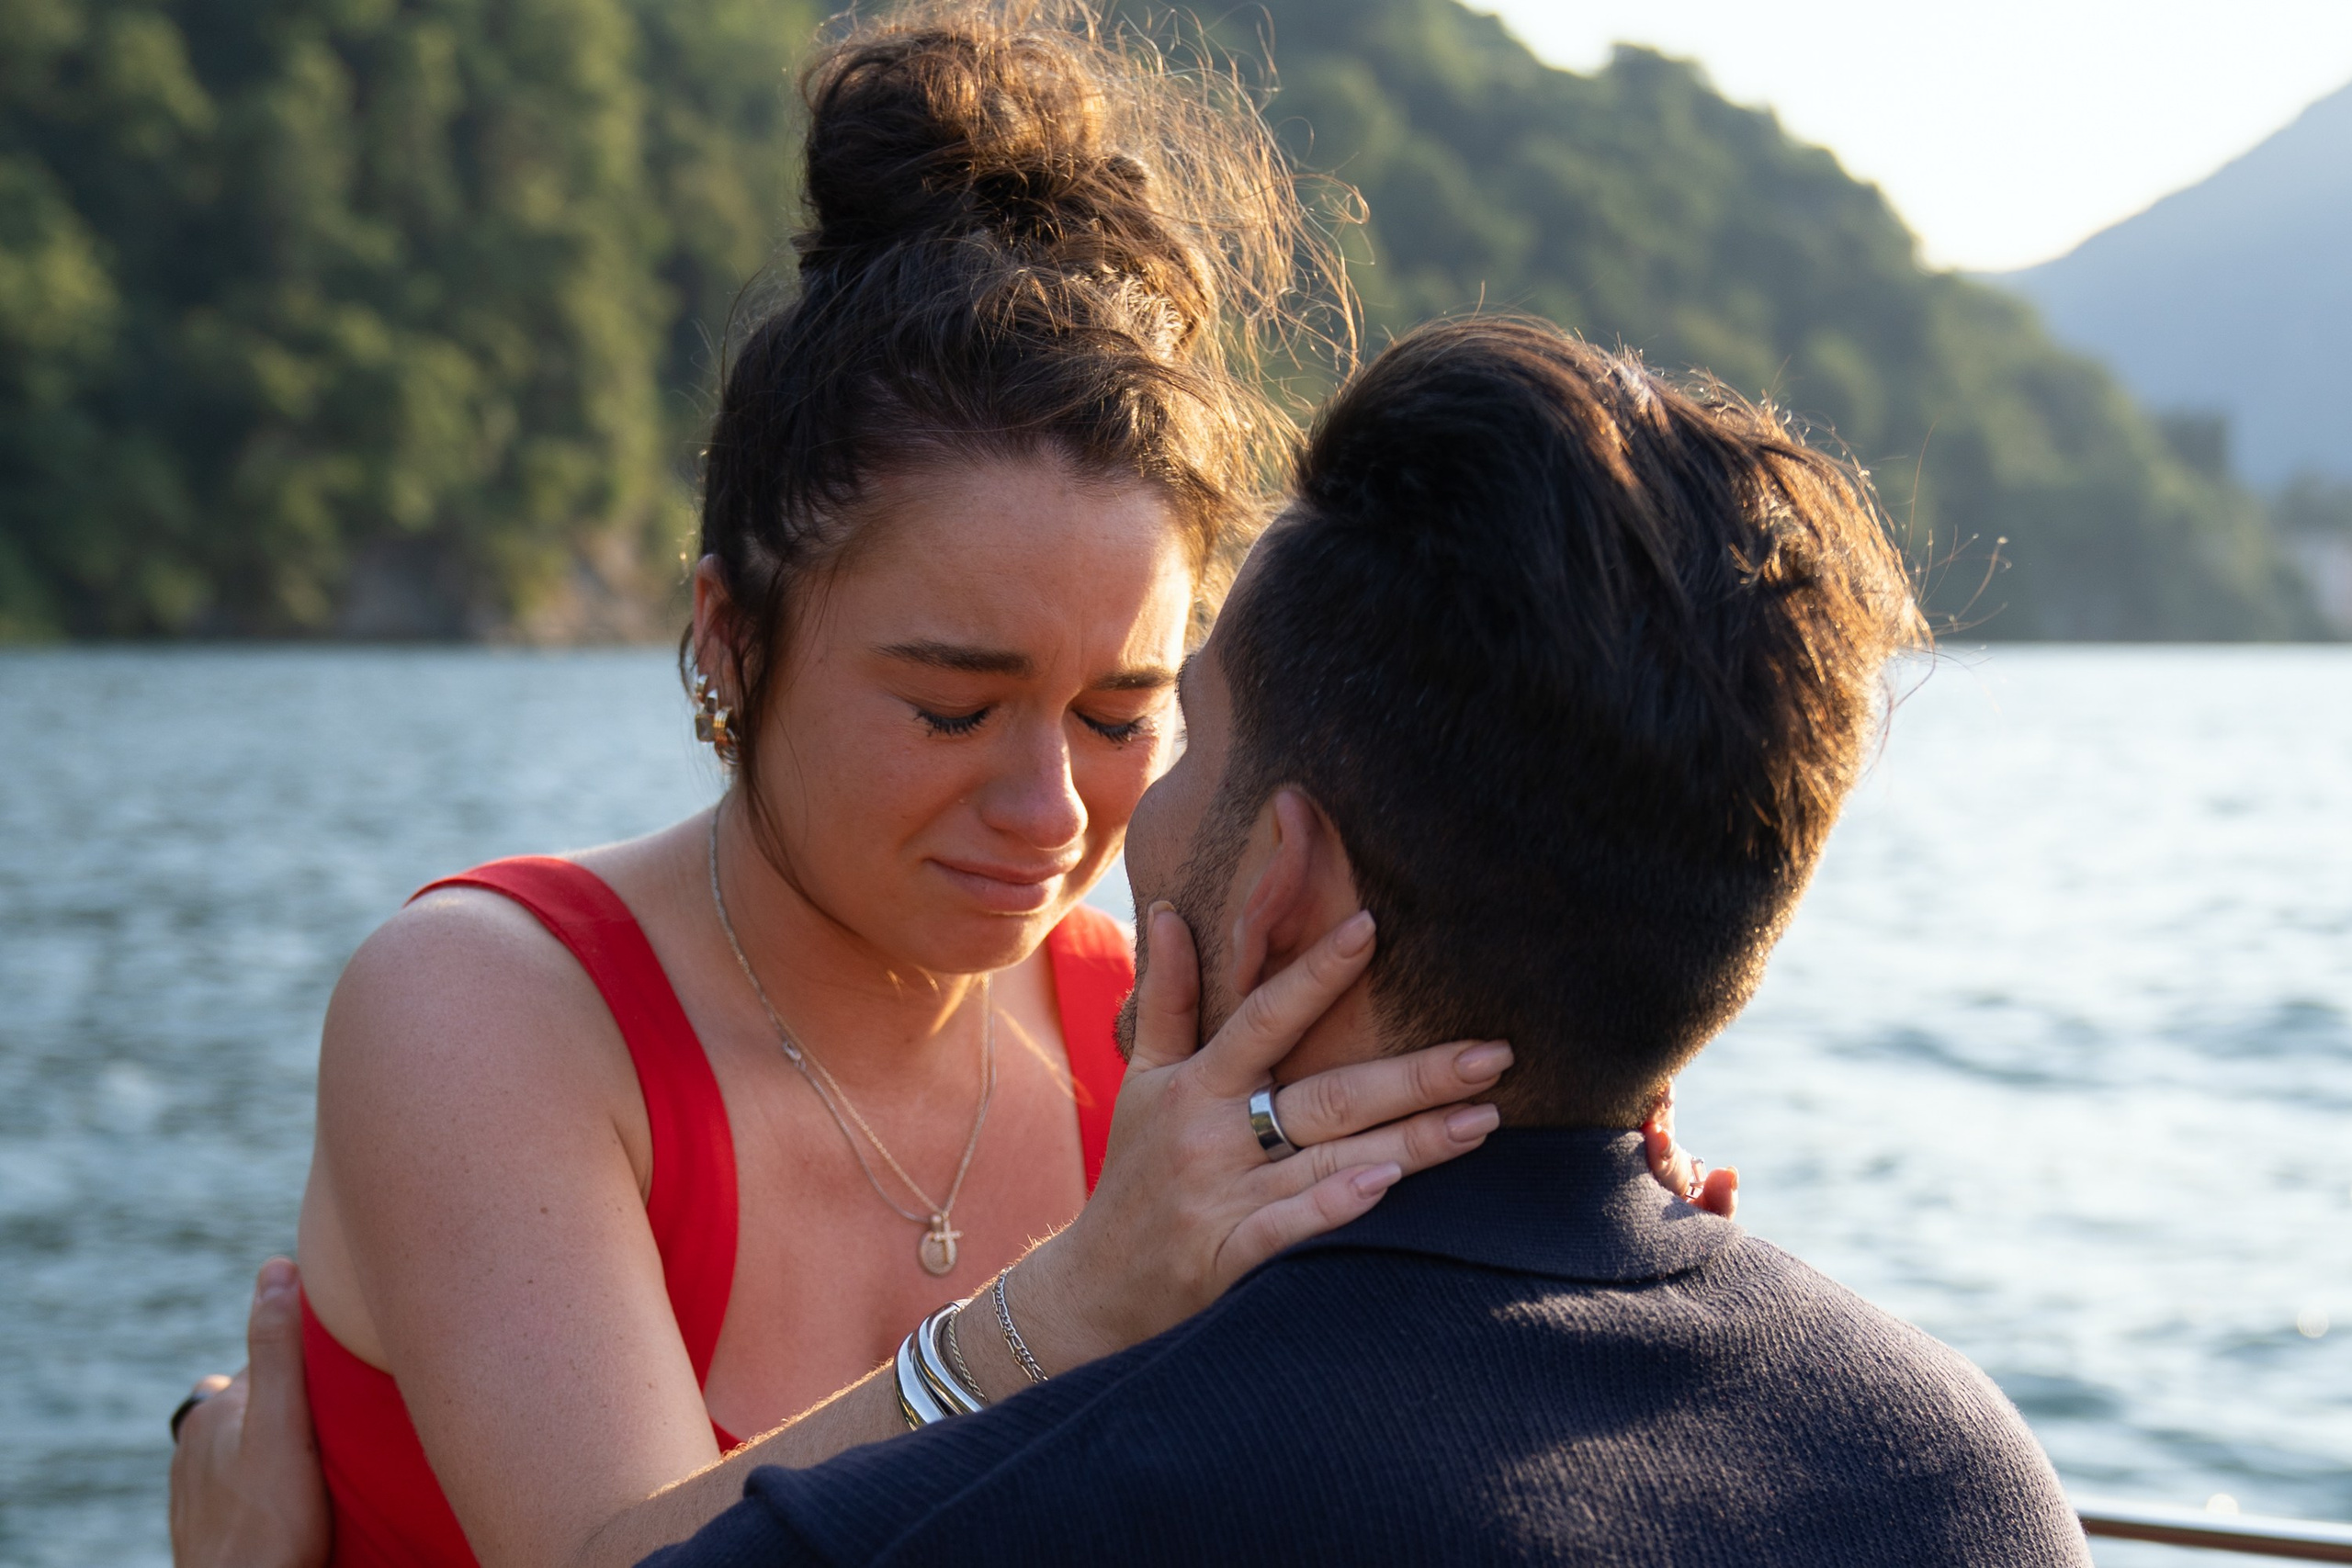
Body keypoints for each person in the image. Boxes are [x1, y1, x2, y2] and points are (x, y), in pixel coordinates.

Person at [166, 8, 1730, 1567]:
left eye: (1121, 714)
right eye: (952, 708)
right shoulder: (485, 1006)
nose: (1051, 812)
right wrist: (1075, 1302)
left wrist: (1557, 1266)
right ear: (731, 639)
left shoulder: (1181, 1037)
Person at [620, 316, 2093, 1564]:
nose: (1083, 821)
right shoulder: (1966, 1481)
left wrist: (1035, 1328)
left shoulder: (943, 1531)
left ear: (1285, 882)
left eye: (1159, 724)